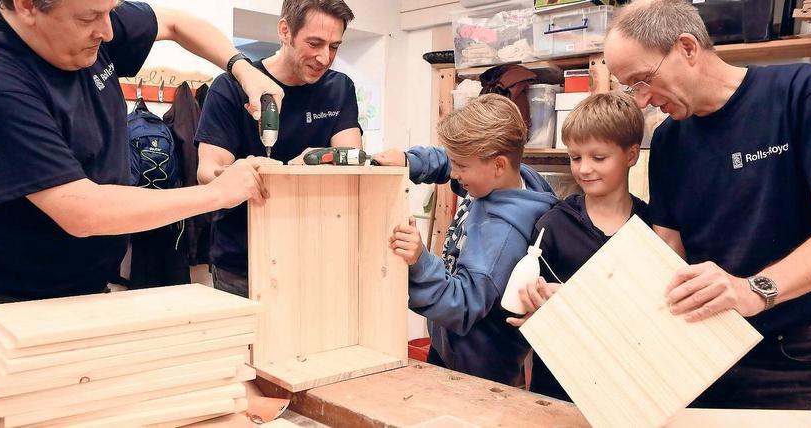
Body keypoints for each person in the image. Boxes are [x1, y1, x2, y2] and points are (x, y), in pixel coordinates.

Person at [0, 0, 284, 416]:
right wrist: (219, 194)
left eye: (109, 11)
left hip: (74, 285)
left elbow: (174, 22)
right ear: (26, 6)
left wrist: (243, 69)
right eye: (88, 18)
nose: (109, 31)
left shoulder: (91, 14)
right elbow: (81, 211)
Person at [603, 0, 811, 424]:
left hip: (793, 358)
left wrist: (754, 290)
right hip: (703, 349)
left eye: (643, 80)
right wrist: (585, 304)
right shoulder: (668, 142)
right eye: (630, 88)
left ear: (687, 48)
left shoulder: (802, 92)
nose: (641, 101)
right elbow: (667, 256)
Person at [376, 94, 558, 387]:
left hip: (475, 370)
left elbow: (461, 305)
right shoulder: (513, 178)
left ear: (498, 165)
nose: (454, 173)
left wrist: (420, 260)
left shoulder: (502, 234)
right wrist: (410, 161)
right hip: (452, 347)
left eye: (460, 166)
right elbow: (449, 160)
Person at [196, 0, 362, 298]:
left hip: (315, 255)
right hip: (242, 261)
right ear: (285, 31)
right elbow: (207, 172)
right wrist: (243, 171)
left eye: (334, 47)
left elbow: (353, 160)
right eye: (315, 43)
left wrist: (317, 163)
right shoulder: (231, 87)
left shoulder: (339, 89)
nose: (325, 58)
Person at [506, 92, 650, 402]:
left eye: (598, 158)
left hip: (627, 388)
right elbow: (529, 311)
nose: (584, 169)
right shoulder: (553, 226)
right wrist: (535, 312)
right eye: (575, 158)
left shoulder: (650, 228)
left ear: (631, 155)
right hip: (559, 388)